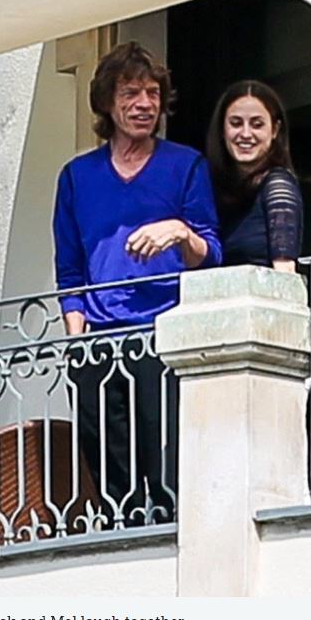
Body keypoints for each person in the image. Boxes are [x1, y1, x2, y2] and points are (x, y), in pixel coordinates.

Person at [53, 41, 221, 527]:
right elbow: (70, 267)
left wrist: (180, 232)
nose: (144, 104)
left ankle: (171, 542)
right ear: (107, 102)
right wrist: (76, 336)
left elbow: (212, 252)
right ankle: (121, 545)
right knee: (108, 473)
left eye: (152, 93)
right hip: (98, 342)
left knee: (166, 465)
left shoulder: (185, 166)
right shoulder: (77, 176)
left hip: (163, 334)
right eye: (131, 93)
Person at [206, 80, 303, 271]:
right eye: (235, 123)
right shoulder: (212, 185)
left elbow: (285, 271)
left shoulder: (278, 185)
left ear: (275, 130)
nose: (245, 134)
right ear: (222, 129)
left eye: (257, 125)